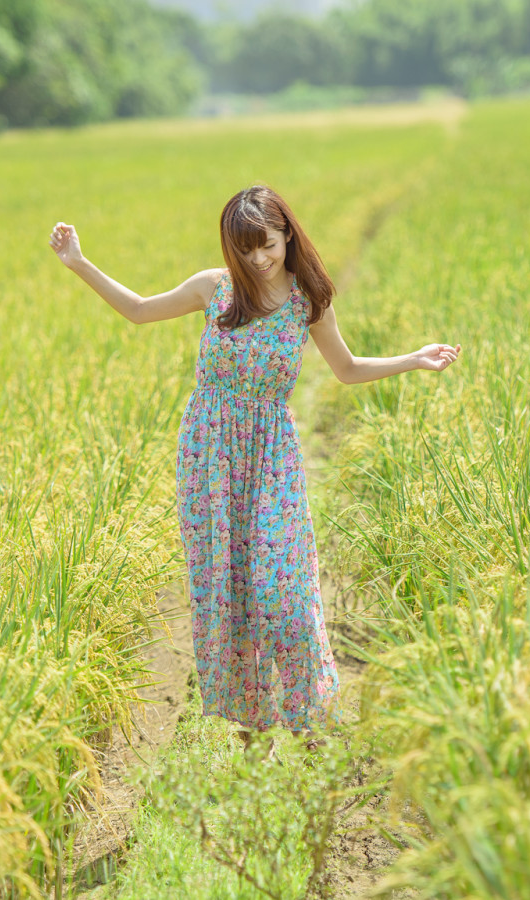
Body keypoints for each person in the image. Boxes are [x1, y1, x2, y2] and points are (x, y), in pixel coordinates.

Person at [49, 184, 461, 752]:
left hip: (270, 456)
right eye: (245, 250)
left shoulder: (307, 301)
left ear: (287, 234)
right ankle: (251, 730)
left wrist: (413, 359)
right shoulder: (213, 290)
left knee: (283, 593)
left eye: (266, 245)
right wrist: (79, 263)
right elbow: (140, 311)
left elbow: (346, 367)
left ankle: (310, 718)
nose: (258, 259)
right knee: (228, 592)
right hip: (208, 456)